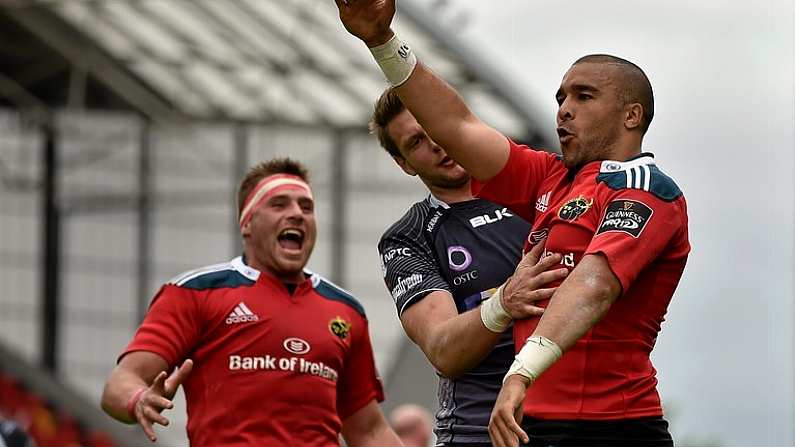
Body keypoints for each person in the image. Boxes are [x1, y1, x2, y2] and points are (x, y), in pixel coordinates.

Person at [334, 2, 690, 447]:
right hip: (530, 426)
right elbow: (458, 125)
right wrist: (382, 41)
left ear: (631, 115)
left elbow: (592, 286)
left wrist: (520, 372)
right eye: (560, 97)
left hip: (611, 426)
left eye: (583, 96)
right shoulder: (549, 178)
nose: (564, 109)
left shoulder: (646, 187)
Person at [101, 158, 403, 447]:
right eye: (279, 204)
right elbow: (122, 382)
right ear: (247, 223)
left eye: (307, 206)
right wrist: (138, 399)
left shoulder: (346, 311)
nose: (297, 213)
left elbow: (369, 431)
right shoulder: (195, 292)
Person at [373, 88, 568, 446]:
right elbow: (443, 349)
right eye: (416, 141)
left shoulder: (544, 186)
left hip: (574, 419)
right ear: (404, 163)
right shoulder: (408, 238)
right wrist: (503, 303)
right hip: (480, 432)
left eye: (436, 128)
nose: (435, 143)